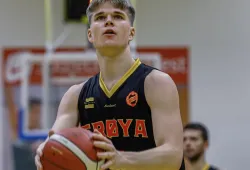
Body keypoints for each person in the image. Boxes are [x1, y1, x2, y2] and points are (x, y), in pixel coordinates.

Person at [35, 0, 185, 170]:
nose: (108, 21)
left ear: (131, 33)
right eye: (100, 17)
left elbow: (173, 155)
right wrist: (45, 150)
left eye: (118, 16)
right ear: (90, 35)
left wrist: (122, 159)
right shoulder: (76, 95)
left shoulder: (156, 83)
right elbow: (56, 141)